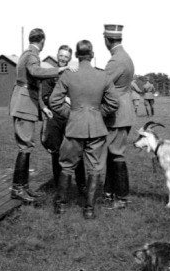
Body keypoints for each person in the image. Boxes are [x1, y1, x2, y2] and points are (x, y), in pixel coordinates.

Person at [49, 40, 119, 219]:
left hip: (74, 127)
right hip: (97, 128)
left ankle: (61, 206)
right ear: (92, 55)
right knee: (95, 168)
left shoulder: (68, 75)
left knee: (66, 165)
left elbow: (54, 102)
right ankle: (89, 209)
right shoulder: (102, 76)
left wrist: (72, 114)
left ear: (76, 57)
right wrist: (96, 114)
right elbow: (113, 103)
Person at [9, 28, 77, 203]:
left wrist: (41, 106)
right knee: (25, 146)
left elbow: (32, 86)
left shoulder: (27, 53)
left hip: (26, 102)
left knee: (27, 146)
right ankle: (18, 188)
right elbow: (34, 72)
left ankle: (23, 187)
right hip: (24, 104)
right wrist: (59, 70)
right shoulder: (32, 54)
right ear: (42, 41)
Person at [40, 45, 86, 195]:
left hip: (71, 118)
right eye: (61, 56)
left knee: (76, 151)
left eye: (66, 57)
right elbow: (45, 96)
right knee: (56, 152)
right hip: (55, 118)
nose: (63, 59)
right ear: (57, 55)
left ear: (70, 58)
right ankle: (59, 185)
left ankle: (82, 185)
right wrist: (64, 99)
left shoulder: (72, 73)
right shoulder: (50, 74)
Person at [102, 24, 136, 209]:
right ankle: (110, 193)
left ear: (106, 39)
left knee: (116, 154)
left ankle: (121, 198)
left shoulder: (116, 61)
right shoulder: (125, 57)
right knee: (112, 153)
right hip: (125, 112)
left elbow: (102, 84)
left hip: (117, 114)